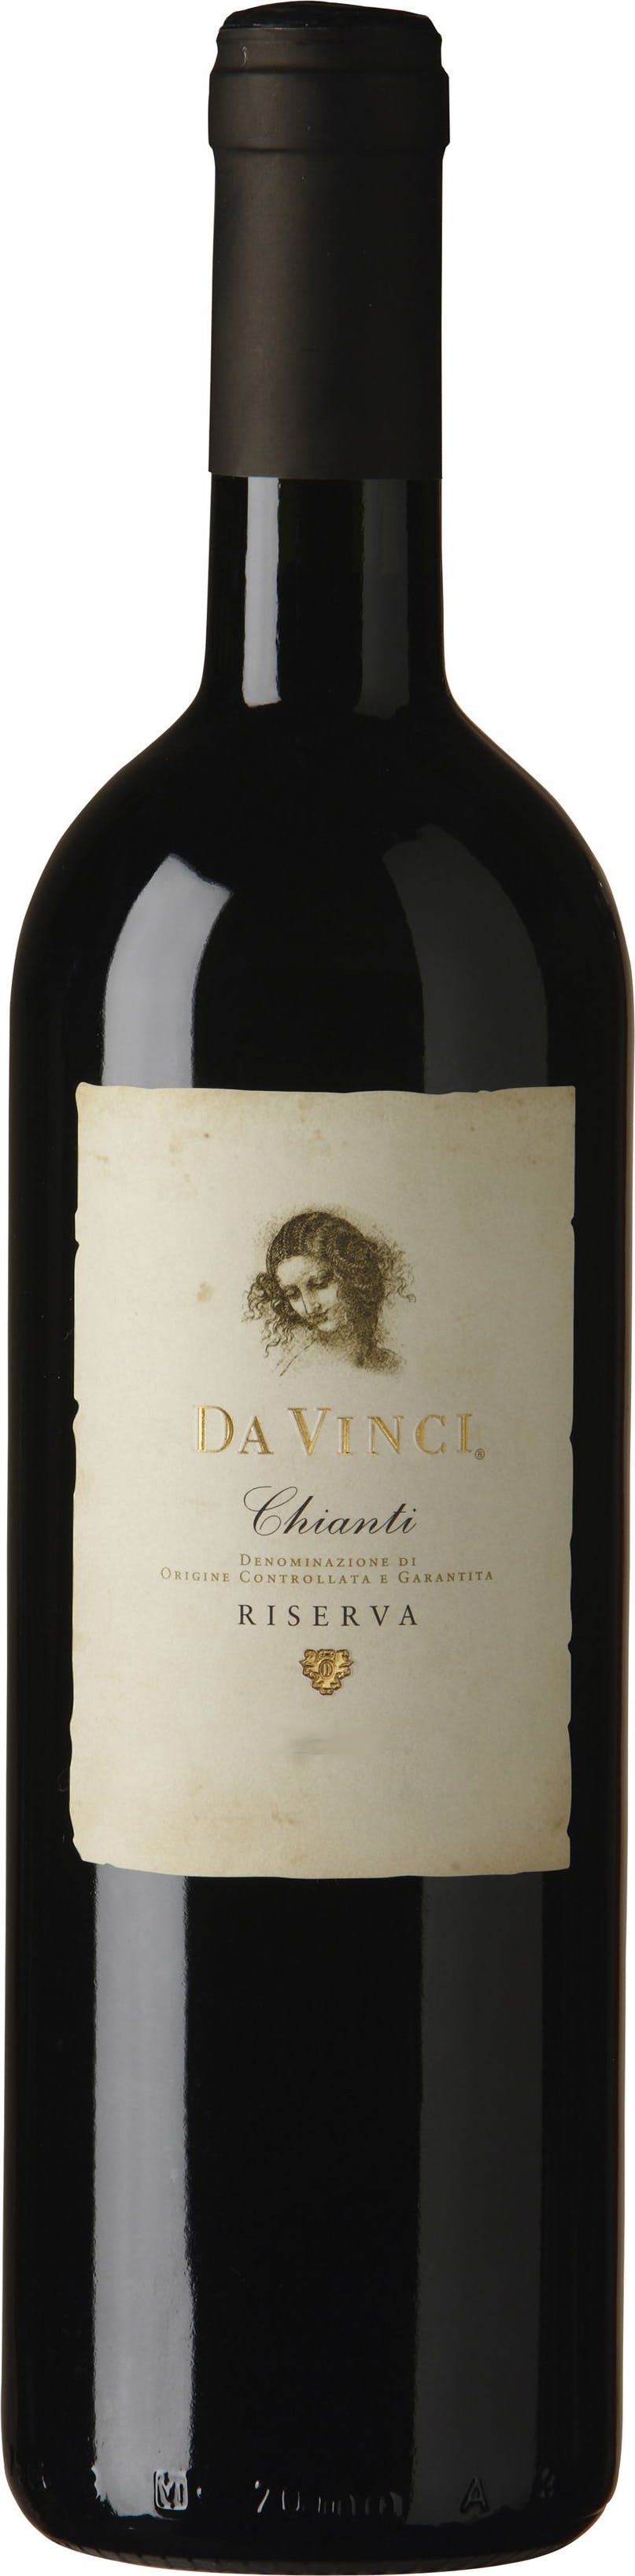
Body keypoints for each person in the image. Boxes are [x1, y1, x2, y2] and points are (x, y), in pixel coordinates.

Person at [247, 1208, 409, 1372]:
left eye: (319, 1284)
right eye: (293, 1295)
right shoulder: (301, 1371)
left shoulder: (391, 1365)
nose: (309, 1307)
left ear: (351, 1274)